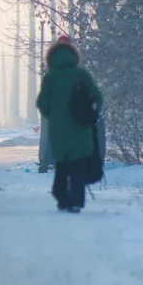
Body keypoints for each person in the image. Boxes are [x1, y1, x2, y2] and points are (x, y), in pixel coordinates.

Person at [36, 35, 102, 213]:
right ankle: (75, 202)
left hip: (58, 130)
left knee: (62, 164)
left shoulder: (50, 77)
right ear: (74, 54)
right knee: (78, 164)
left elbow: (42, 102)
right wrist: (91, 114)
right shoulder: (82, 74)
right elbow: (97, 97)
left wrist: (51, 114)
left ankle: (61, 196)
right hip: (81, 127)